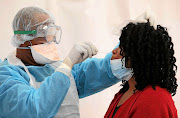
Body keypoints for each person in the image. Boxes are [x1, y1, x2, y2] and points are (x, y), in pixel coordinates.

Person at [0, 6, 135, 118]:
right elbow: (35, 109)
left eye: (51, 37)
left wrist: (132, 39)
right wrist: (67, 65)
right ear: (20, 37)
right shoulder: (6, 76)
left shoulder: (57, 68)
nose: (49, 43)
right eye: (42, 36)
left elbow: (102, 71)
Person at [104, 22, 178, 118]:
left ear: (137, 56)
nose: (114, 51)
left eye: (122, 47)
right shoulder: (124, 93)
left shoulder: (153, 100)